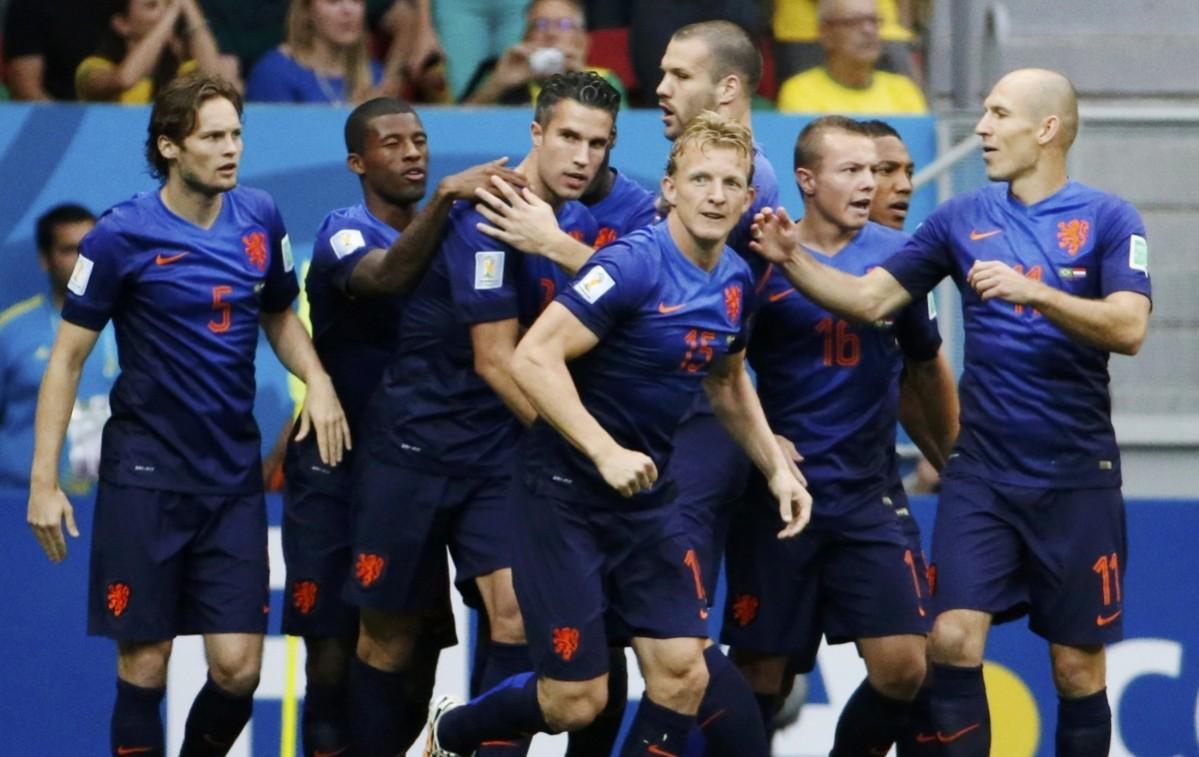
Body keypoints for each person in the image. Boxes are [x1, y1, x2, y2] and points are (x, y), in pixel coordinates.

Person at [751, 68, 1152, 756]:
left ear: (1045, 129)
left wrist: (1040, 295)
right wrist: (791, 259)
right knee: (949, 640)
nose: (981, 128)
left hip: (1077, 474)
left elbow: (1128, 327)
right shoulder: (958, 218)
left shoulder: (1110, 219)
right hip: (983, 471)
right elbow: (871, 300)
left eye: (998, 114)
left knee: (1075, 667)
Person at [424, 109, 811, 757]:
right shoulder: (629, 263)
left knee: (683, 672)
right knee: (575, 701)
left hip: (646, 502)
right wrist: (602, 451)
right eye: (700, 179)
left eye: (729, 184)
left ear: (748, 199)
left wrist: (774, 465)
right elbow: (531, 357)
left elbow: (727, 378)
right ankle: (451, 730)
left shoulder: (736, 281)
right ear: (669, 188)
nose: (715, 195)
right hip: (564, 495)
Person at [25, 73, 350, 757]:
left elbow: (280, 316)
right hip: (145, 477)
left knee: (238, 668)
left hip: (230, 477)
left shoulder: (260, 218)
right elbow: (65, 361)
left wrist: (316, 378)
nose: (231, 149)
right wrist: (43, 482)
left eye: (236, 134)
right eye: (213, 137)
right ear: (170, 146)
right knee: (144, 664)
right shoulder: (119, 236)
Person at [341, 70, 614, 756]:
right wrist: (588, 449)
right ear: (536, 133)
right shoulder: (488, 211)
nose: (583, 157)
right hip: (412, 446)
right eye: (569, 138)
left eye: (598, 143)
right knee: (389, 634)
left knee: (516, 615)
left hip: (497, 455)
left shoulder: (573, 224)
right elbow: (497, 361)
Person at [281, 96, 528, 756]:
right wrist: (449, 194)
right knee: (333, 654)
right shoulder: (344, 230)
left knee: (416, 647)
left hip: (414, 466)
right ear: (358, 161)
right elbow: (385, 277)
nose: (412, 152)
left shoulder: (459, 241)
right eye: (391, 143)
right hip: (338, 466)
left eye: (418, 140)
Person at [721, 116, 958, 755]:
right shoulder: (756, 257)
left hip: (869, 494)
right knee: (761, 675)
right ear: (806, 179)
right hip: (779, 497)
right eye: (850, 171)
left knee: (906, 667)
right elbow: (719, 369)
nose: (868, 184)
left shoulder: (899, 258)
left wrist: (954, 459)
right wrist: (766, 441)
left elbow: (924, 368)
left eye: (874, 171)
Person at [0, 204, 116, 494]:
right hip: (21, 503)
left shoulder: (136, 325)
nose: (84, 261)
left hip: (115, 501)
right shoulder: (10, 330)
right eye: (70, 250)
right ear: (45, 259)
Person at [860, 118, 947, 498]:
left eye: (909, 172)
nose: (905, 186)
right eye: (887, 171)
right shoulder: (785, 257)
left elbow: (919, 377)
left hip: (873, 483)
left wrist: (956, 468)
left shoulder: (905, 262)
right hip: (784, 478)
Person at [459, 0, 626, 107]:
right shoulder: (499, 74)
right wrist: (496, 86)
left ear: (583, 40)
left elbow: (622, 134)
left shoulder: (604, 79)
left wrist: (583, 79)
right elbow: (455, 129)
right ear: (526, 35)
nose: (551, 33)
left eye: (564, 25)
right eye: (541, 24)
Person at [777, 0, 926, 115]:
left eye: (874, 21)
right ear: (826, 33)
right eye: (854, 22)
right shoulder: (801, 91)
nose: (868, 30)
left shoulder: (903, 90)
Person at [76, 0, 223, 103]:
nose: (163, 12)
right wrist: (171, 12)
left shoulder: (179, 71)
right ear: (122, 24)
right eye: (152, 5)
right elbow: (125, 79)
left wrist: (189, 6)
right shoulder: (92, 68)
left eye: (167, 4)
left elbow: (214, 79)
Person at [246, 0, 389, 105]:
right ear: (306, 11)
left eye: (356, 1)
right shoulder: (274, 72)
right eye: (333, 2)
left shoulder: (374, 74)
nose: (348, 10)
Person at [2, 0, 110, 100]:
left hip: (120, 109)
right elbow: (26, 89)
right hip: (57, 111)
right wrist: (62, 119)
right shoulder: (29, 5)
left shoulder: (120, 5)